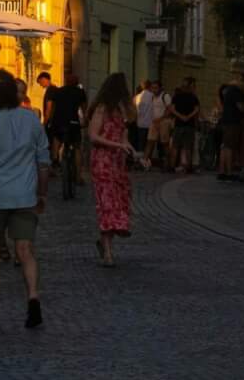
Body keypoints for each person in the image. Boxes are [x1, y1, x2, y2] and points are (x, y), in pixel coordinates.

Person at [0, 68, 49, 329]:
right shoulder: (32, 121)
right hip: (25, 195)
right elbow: (43, 162)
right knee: (25, 250)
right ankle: (33, 295)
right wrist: (42, 193)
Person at [85, 73, 137, 267]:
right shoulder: (101, 109)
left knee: (118, 201)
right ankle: (108, 253)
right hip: (102, 162)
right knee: (106, 204)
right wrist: (116, 145)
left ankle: (106, 240)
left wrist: (134, 152)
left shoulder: (121, 112)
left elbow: (123, 139)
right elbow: (93, 136)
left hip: (117, 163)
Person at [45, 73, 88, 191]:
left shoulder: (58, 91)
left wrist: (48, 121)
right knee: (77, 147)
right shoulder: (80, 92)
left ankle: (54, 159)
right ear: (77, 82)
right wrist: (84, 121)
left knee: (56, 138)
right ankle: (78, 177)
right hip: (73, 123)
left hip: (58, 122)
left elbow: (51, 107)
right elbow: (84, 109)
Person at [216, 76, 244, 181]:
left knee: (224, 147)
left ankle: (222, 172)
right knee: (229, 147)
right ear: (242, 82)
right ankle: (229, 172)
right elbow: (241, 107)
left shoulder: (228, 90)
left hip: (225, 121)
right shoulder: (237, 91)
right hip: (233, 122)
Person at [169, 78, 202, 173]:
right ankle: (189, 167)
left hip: (178, 124)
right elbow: (197, 109)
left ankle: (171, 166)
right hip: (189, 125)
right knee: (188, 147)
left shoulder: (176, 96)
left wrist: (180, 116)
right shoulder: (193, 97)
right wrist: (188, 116)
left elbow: (172, 109)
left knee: (175, 146)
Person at [130, 78, 162, 156]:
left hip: (140, 123)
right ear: (150, 86)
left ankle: (140, 160)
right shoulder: (153, 96)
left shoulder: (137, 97)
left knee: (141, 144)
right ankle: (147, 160)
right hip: (151, 123)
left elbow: (133, 110)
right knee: (150, 144)